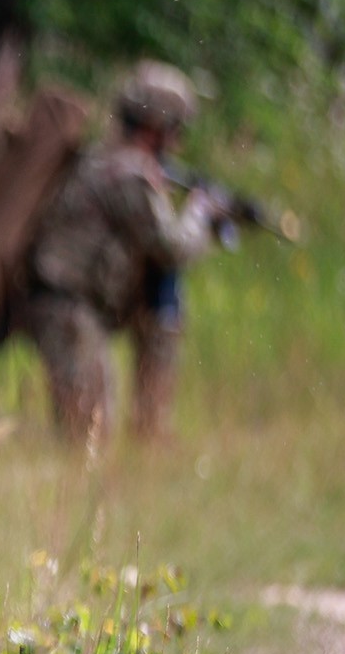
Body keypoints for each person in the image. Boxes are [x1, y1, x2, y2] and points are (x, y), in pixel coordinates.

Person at [23, 61, 219, 441]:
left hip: (73, 304)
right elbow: (171, 247)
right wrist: (201, 216)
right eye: (174, 128)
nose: (177, 141)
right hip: (69, 306)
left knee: (90, 426)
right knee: (88, 432)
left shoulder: (105, 160)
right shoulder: (129, 175)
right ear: (155, 126)